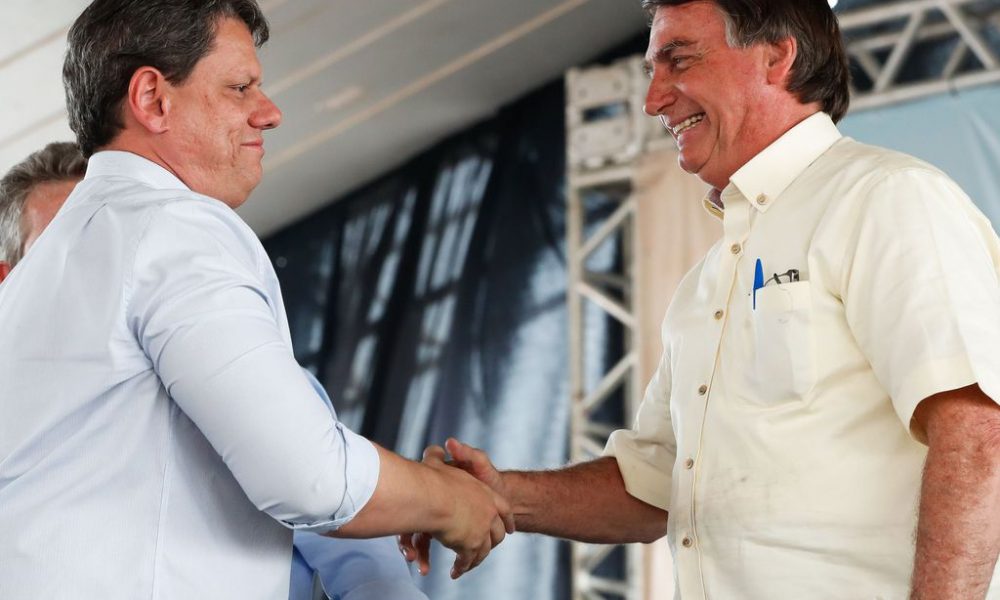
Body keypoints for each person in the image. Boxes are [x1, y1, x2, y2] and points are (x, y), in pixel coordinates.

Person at [403, 0, 1000, 598]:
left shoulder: (886, 198)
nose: (652, 100)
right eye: (651, 70)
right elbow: (656, 482)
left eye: (679, 60)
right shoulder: (707, 280)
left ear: (776, 57)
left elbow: (978, 434)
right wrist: (499, 495)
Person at [0, 1, 512, 598]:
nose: (269, 113)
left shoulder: (45, 272)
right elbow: (309, 477)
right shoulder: (173, 227)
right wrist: (450, 501)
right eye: (239, 87)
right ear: (153, 99)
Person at [0, 141, 429, 600]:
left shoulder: (249, 377)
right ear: (8, 280)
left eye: (104, 248)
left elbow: (364, 565)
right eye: (63, 255)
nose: (91, 270)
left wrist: (441, 502)